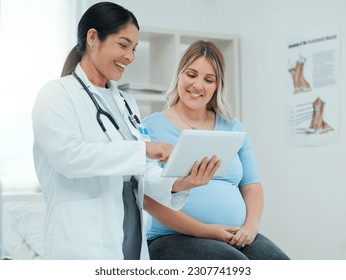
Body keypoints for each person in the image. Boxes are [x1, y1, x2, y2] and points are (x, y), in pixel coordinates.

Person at [32, 3, 219, 260]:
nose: (130, 57)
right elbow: (69, 157)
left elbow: (142, 170)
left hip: (130, 242)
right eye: (123, 45)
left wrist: (179, 183)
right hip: (81, 244)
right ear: (93, 38)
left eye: (134, 49)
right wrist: (143, 149)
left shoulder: (126, 103)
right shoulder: (57, 94)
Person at [143, 40, 290, 260]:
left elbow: (252, 185)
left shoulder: (233, 126)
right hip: (171, 237)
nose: (198, 85)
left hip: (234, 233)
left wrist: (250, 227)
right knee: (233, 264)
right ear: (179, 75)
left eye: (208, 79)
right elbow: (146, 198)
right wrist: (207, 231)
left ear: (217, 85)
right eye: (191, 75)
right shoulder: (149, 128)